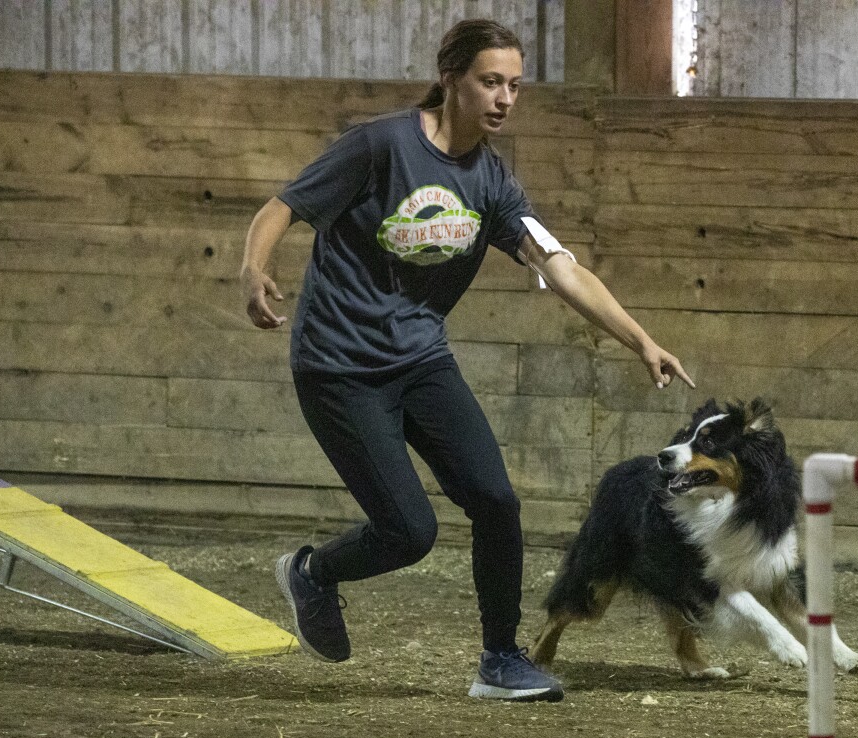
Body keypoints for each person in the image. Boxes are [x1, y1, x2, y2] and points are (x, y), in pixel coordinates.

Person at [239, 18, 693, 703]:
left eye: (514, 85)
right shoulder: (381, 146)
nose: (505, 98)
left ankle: (500, 659)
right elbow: (282, 207)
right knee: (410, 532)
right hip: (339, 366)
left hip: (420, 360)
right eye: (490, 82)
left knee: (496, 500)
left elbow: (562, 269)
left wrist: (641, 340)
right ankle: (314, 574)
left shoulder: (492, 182)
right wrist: (253, 270)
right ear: (451, 79)